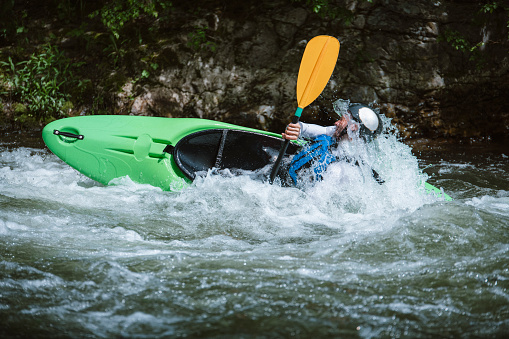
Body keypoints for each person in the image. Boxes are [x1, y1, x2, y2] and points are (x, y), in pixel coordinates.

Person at [281, 103, 384, 185]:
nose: (336, 123)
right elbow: (305, 128)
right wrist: (295, 129)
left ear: (354, 128)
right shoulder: (338, 134)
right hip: (293, 180)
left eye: (341, 120)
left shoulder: (351, 172)